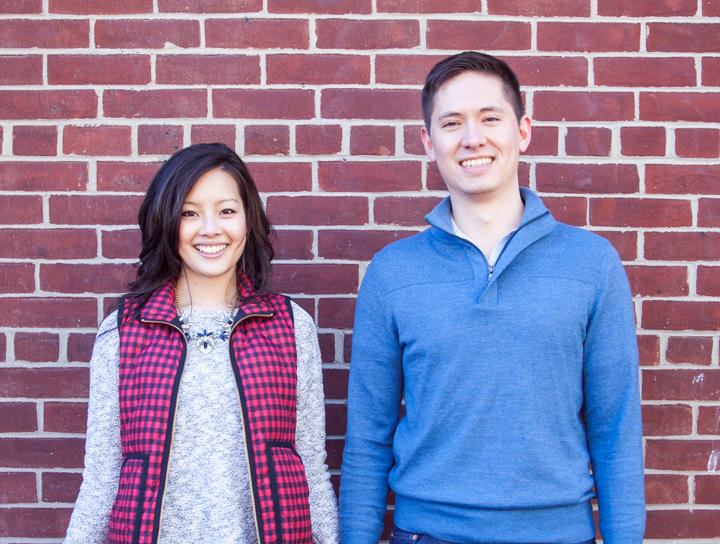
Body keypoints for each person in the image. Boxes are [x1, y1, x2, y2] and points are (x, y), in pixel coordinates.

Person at [339, 52, 645, 544]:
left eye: (489, 118)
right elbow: (367, 440)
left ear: (522, 131)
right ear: (428, 141)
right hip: (427, 535)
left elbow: (616, 429)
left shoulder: (592, 264)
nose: (471, 138)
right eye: (451, 122)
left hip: (558, 535)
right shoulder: (392, 272)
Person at [64, 143, 339, 544]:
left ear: (248, 220)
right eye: (190, 213)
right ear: (168, 221)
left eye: (227, 211)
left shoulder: (291, 327)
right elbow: (102, 479)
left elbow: (311, 468)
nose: (210, 228)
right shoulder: (123, 332)